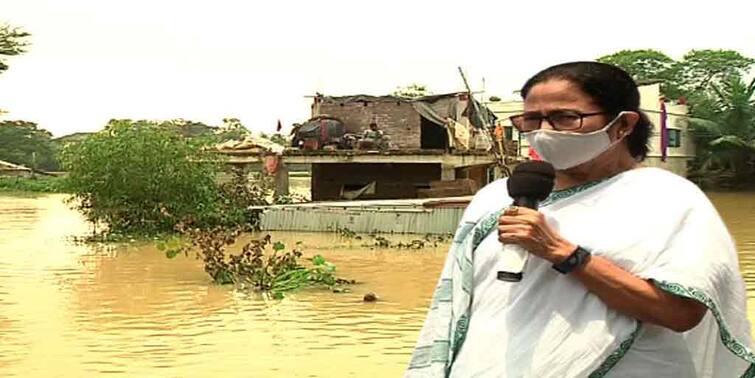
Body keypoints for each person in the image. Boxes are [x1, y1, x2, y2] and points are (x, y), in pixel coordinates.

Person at [406, 62, 754, 377]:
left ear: (623, 125)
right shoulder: (495, 197)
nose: (544, 131)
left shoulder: (670, 200)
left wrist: (563, 253)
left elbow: (681, 314)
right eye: (532, 119)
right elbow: (457, 310)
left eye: (565, 118)